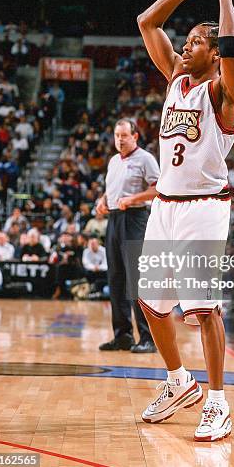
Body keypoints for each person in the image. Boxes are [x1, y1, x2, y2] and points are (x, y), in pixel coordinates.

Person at [136, 0, 234, 441]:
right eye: (185, 41)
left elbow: (231, 48)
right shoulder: (176, 81)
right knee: (152, 304)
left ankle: (218, 404)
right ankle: (179, 381)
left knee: (203, 309)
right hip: (165, 206)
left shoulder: (225, 92)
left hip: (204, 209)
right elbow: (147, 21)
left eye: (195, 41)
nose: (184, 46)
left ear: (212, 53)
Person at [96, 119, 160, 354]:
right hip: (114, 220)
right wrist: (103, 201)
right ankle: (122, 335)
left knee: (137, 280)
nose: (119, 140)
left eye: (124, 135)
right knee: (116, 279)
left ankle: (148, 337)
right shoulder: (113, 161)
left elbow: (158, 189)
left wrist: (133, 199)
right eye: (116, 135)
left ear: (135, 136)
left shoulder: (146, 159)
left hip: (135, 219)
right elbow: (111, 190)